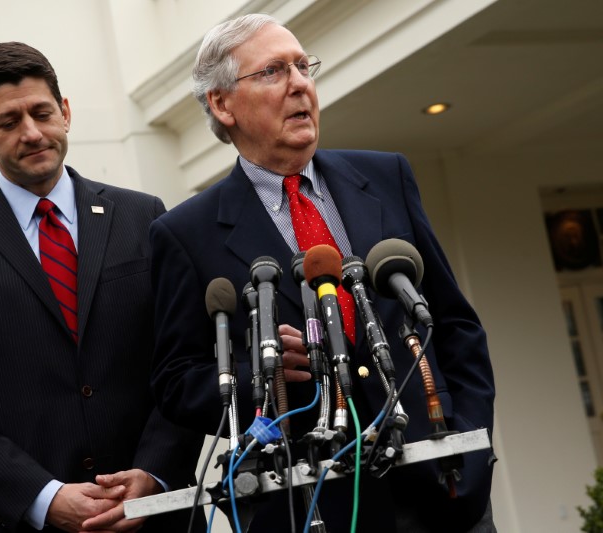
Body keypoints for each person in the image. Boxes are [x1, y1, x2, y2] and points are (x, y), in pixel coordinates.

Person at [150, 13, 496, 532]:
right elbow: (177, 382)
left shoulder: (387, 176)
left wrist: (470, 450)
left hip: (441, 490)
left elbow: (455, 326)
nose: (299, 84)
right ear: (222, 104)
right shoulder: (185, 232)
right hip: (308, 505)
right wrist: (261, 378)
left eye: (303, 66)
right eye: (272, 71)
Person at [0, 41, 204, 532]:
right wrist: (45, 498)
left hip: (156, 517)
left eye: (42, 113)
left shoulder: (144, 217)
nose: (32, 133)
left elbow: (185, 362)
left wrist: (153, 472)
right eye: (8, 122)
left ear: (64, 112)